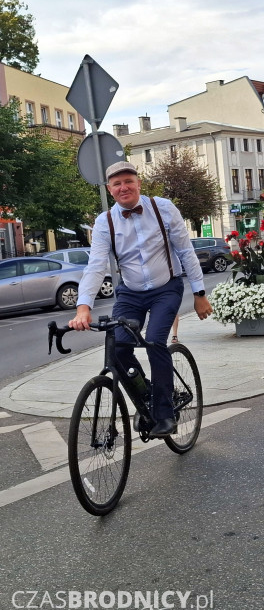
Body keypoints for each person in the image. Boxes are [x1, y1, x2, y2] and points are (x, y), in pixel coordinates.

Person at [69, 162, 212, 438]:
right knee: (119, 348)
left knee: (156, 340)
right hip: (130, 292)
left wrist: (199, 294)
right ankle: (145, 395)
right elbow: (96, 266)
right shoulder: (104, 222)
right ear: (110, 190)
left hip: (165, 289)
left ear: (138, 183)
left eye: (128, 181)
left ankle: (164, 411)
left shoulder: (163, 208)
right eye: (117, 184)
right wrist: (83, 308)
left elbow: (185, 251)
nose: (124, 187)